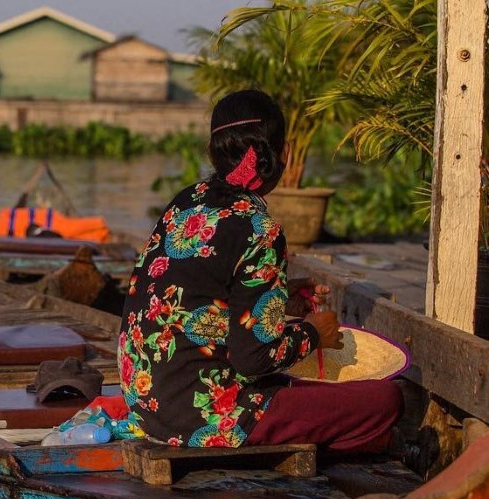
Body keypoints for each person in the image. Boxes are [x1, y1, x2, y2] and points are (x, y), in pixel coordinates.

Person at [118, 89, 403, 452]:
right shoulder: (259, 228)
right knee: (385, 400)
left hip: (145, 403)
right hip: (201, 416)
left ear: (215, 153)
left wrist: (281, 296)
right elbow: (252, 360)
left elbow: (204, 297)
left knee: (345, 414)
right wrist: (314, 333)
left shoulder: (187, 201)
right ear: (277, 154)